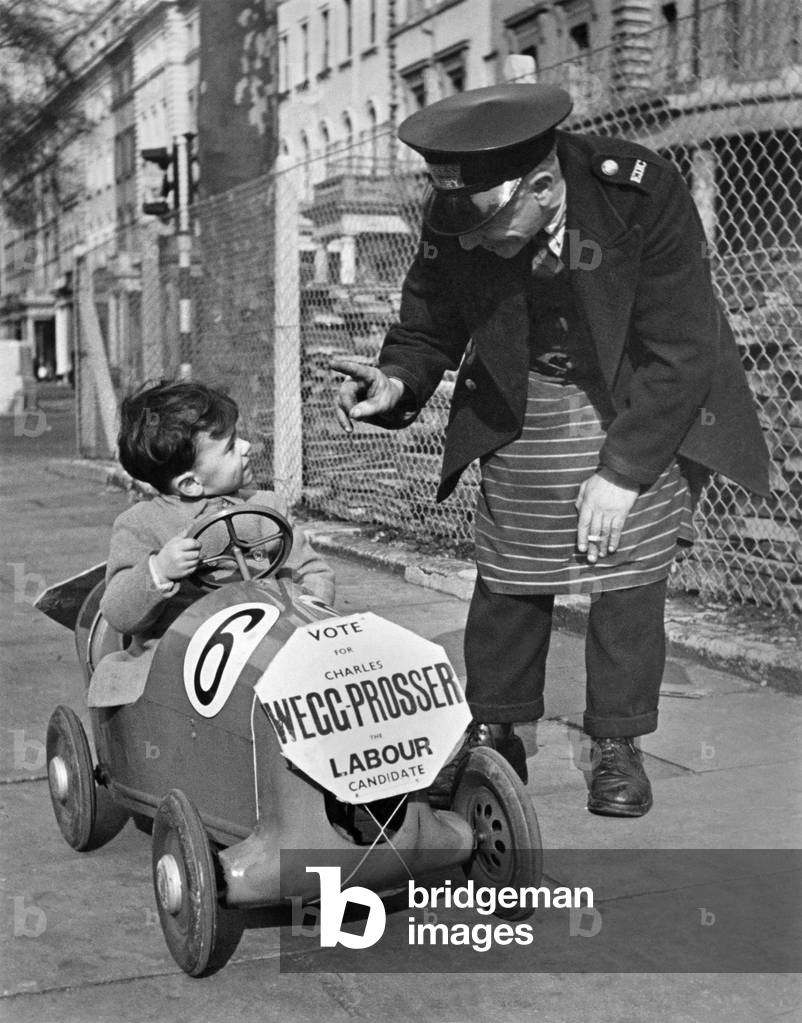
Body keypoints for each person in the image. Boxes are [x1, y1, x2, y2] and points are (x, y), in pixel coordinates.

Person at [331, 83, 769, 817]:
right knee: (508, 567)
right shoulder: (458, 209)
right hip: (528, 389)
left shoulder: (639, 194)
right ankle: (496, 727)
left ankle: (618, 742)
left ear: (541, 184)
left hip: (635, 392)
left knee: (628, 571)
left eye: (489, 226)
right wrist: (397, 380)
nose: (473, 241)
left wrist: (623, 472)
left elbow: (684, 350)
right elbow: (430, 320)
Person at [90, 380, 334, 706]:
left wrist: (306, 617)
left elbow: (312, 570)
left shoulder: (267, 507)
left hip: (269, 647)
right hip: (177, 665)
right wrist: (158, 570)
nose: (247, 446)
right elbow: (118, 612)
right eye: (232, 446)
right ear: (191, 483)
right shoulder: (141, 524)